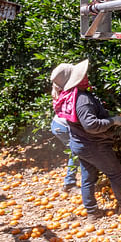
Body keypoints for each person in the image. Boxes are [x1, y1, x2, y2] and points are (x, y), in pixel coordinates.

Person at [52, 59, 121, 219]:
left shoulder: (68, 97)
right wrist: (115, 120)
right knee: (115, 173)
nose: (86, 76)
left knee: (88, 177)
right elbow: (91, 125)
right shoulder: (82, 99)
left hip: (80, 144)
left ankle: (92, 212)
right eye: (82, 75)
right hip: (94, 145)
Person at [49, 63, 80, 193]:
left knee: (76, 152)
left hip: (57, 125)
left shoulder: (60, 90)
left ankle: (71, 181)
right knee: (77, 152)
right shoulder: (70, 93)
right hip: (63, 127)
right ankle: (69, 183)